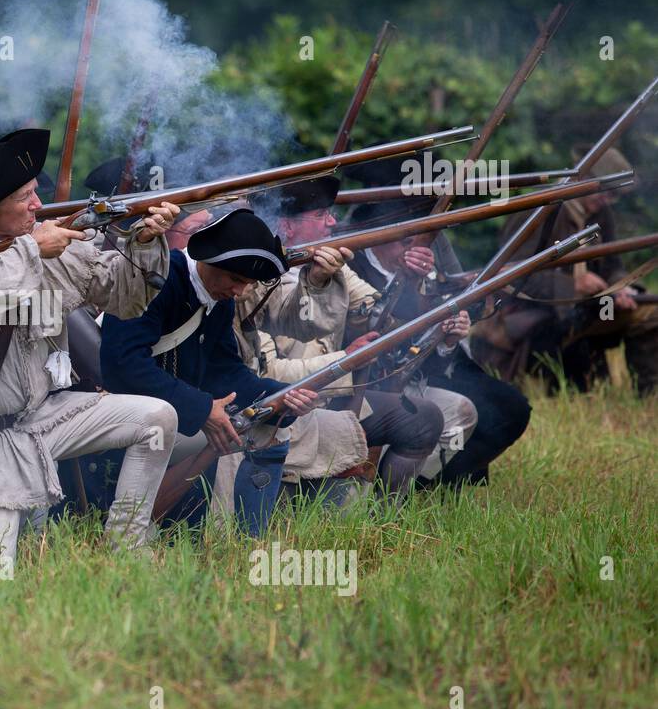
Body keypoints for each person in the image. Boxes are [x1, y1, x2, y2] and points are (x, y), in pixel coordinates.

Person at [0, 128, 179, 575]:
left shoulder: (38, 239)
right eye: (25, 198)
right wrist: (32, 250)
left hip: (38, 420)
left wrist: (145, 241)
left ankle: (125, 548)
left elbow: (126, 299)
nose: (39, 205)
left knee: (157, 419)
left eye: (36, 193)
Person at [99, 206, 320, 535]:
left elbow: (223, 371)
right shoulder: (158, 279)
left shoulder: (219, 297)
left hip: (172, 412)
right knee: (233, 436)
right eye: (235, 279)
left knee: (267, 428)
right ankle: (210, 538)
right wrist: (202, 409)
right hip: (124, 414)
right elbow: (123, 364)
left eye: (246, 283)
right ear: (209, 258)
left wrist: (278, 397)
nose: (240, 291)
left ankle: (247, 541)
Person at [256, 178, 452, 494]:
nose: (333, 222)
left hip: (332, 397)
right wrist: (346, 361)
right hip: (285, 407)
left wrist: (410, 279)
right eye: (321, 214)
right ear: (286, 226)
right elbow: (271, 374)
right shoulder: (255, 279)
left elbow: (382, 313)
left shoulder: (334, 268)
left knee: (424, 419)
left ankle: (386, 515)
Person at [344, 196, 532, 486]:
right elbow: (368, 329)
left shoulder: (427, 259)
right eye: (405, 242)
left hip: (422, 372)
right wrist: (407, 282)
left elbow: (429, 340)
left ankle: (426, 484)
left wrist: (448, 338)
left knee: (502, 409)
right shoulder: (351, 267)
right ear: (378, 238)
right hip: (365, 381)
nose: (416, 250)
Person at [474, 148, 658, 394]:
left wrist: (619, 286)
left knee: (648, 314)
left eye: (615, 196)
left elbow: (613, 266)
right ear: (583, 178)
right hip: (540, 315)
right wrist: (573, 285)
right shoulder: (538, 209)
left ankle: (648, 394)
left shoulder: (602, 213)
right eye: (608, 193)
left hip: (588, 310)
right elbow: (509, 277)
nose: (609, 200)